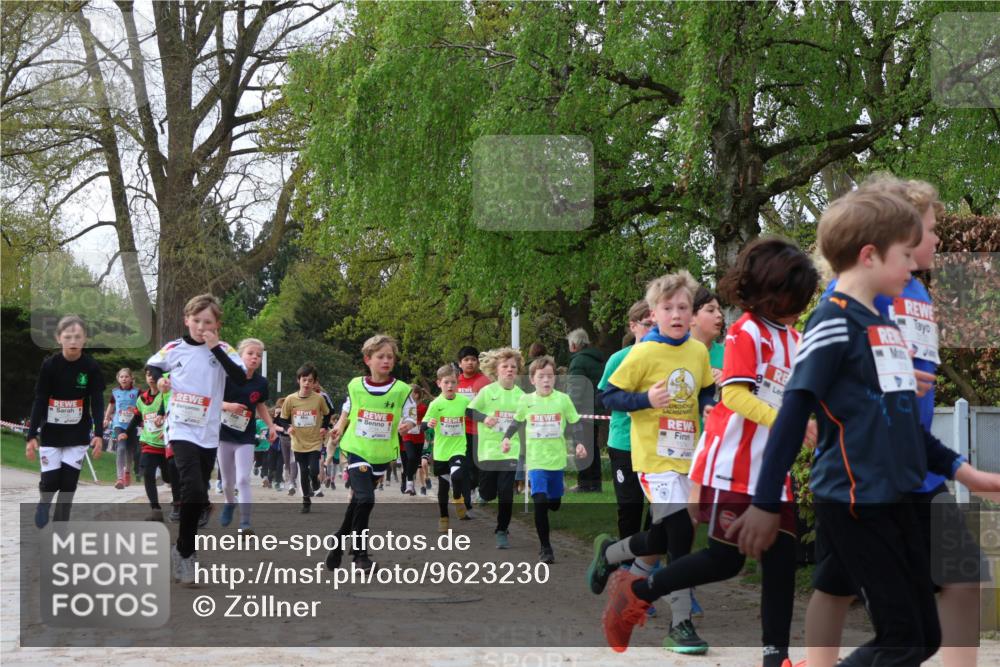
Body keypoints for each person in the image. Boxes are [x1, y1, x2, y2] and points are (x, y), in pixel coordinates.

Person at [733, 189, 1000, 666]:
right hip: (856, 503)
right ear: (869, 255)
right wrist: (765, 501)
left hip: (895, 498)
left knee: (922, 638)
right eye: (903, 253)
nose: (910, 267)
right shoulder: (830, 323)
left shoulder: (883, 325)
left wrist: (966, 473)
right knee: (902, 638)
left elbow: (903, 426)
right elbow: (794, 412)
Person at [593, 238, 819, 666]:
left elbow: (774, 394)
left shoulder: (793, 338)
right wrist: (785, 421)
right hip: (729, 468)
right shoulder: (747, 333)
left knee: (782, 561)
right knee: (721, 559)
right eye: (795, 296)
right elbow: (735, 398)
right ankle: (636, 591)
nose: (800, 305)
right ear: (769, 291)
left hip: (771, 470)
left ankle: (777, 658)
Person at [808, 175, 983, 667]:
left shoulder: (919, 295)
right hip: (864, 472)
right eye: (928, 230)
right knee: (835, 586)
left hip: (919, 463)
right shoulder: (865, 292)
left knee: (964, 573)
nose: (936, 239)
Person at [591, 270, 716, 654]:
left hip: (686, 458)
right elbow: (608, 397)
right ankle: (681, 625)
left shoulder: (697, 351)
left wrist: (709, 407)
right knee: (680, 534)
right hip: (653, 459)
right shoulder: (642, 352)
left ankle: (611, 553)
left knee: (665, 537)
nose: (676, 314)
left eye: (683, 307)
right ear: (653, 314)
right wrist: (645, 400)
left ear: (691, 313)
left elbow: (706, 387)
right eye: (668, 308)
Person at [146, 293, 249, 585]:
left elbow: (240, 378)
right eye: (197, 321)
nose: (202, 327)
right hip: (180, 427)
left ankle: (181, 548)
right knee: (191, 488)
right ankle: (187, 556)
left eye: (209, 322)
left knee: (197, 491)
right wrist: (160, 380)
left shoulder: (225, 349)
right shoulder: (174, 348)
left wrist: (215, 348)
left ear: (217, 325)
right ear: (186, 320)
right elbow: (154, 367)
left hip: (208, 430)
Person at [326, 334, 417, 571]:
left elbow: (411, 415)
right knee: (366, 498)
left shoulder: (401, 389)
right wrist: (338, 427)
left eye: (390, 357)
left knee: (358, 501)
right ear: (368, 359)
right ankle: (360, 556)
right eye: (380, 356)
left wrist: (407, 424)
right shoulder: (356, 385)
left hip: (382, 453)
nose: (386, 361)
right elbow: (348, 408)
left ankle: (338, 541)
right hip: (356, 449)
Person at [500, 355, 586, 564]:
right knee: (539, 501)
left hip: (556, 461)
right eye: (541, 377)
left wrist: (580, 443)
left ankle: (554, 498)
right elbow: (516, 421)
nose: (546, 380)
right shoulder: (526, 401)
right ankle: (545, 548)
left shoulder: (563, 400)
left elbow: (575, 423)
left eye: (550, 376)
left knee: (553, 503)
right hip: (536, 460)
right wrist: (506, 438)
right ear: (532, 380)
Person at [25, 315, 105, 528]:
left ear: (85, 339)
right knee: (51, 483)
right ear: (58, 338)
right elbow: (40, 400)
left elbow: (97, 401)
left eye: (77, 336)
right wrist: (31, 434)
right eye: (68, 336)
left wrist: (98, 434)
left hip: (77, 434)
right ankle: (44, 502)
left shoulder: (90, 367)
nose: (73, 341)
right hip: (51, 433)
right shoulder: (50, 366)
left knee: (68, 485)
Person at [598, 301, 655, 541]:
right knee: (630, 507)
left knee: (661, 510)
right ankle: (624, 560)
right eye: (648, 324)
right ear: (633, 326)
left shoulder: (669, 358)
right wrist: (640, 401)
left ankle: (646, 559)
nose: (654, 329)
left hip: (657, 444)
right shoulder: (618, 359)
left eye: (657, 324)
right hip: (625, 443)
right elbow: (604, 398)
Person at [466, 348, 525, 548]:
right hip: (488, 450)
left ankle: (502, 530)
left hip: (510, 450)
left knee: (506, 492)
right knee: (489, 491)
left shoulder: (521, 396)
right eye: (505, 366)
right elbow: (469, 411)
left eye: (513, 367)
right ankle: (483, 494)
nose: (509, 370)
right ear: (496, 370)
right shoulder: (487, 392)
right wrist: (485, 418)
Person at [217, 338, 276, 533]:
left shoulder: (260, 383)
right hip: (224, 434)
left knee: (243, 479)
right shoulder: (226, 376)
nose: (254, 358)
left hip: (245, 436)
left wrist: (271, 426)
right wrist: (228, 406)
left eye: (258, 355)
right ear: (240, 356)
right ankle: (229, 502)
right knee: (227, 482)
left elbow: (260, 405)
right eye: (250, 353)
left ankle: (245, 523)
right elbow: (211, 400)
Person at [422, 365, 473, 532]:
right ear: (439, 383)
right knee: (443, 488)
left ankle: (458, 497)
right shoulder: (435, 404)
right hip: (441, 452)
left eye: (453, 382)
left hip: (458, 448)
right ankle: (444, 517)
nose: (450, 386)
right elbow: (423, 424)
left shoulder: (464, 401)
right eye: (446, 382)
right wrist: (428, 424)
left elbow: (475, 413)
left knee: (458, 476)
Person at [277, 363, 330, 514]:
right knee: (303, 471)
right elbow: (282, 419)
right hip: (298, 442)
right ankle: (306, 500)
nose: (307, 383)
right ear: (298, 380)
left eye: (310, 380)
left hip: (314, 441)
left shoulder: (319, 399)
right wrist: (288, 428)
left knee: (313, 469)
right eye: (304, 380)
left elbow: (327, 414)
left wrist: (324, 427)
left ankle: (315, 481)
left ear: (314, 383)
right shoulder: (290, 399)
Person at [124, 367, 169, 521]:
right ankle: (155, 510)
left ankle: (179, 504)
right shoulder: (141, 399)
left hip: (167, 443)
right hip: (149, 442)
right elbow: (137, 418)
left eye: (154, 375)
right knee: (148, 474)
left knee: (169, 477)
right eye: (148, 375)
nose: (151, 378)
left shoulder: (167, 395)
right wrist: (126, 432)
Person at [566, 328, 607, 493]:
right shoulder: (598, 360)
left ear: (574, 345)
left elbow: (575, 390)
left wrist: (570, 411)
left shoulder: (578, 362)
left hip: (581, 412)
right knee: (593, 448)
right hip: (596, 410)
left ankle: (584, 483)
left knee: (581, 447)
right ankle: (595, 483)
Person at [456, 345, 491, 508]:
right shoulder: (455, 382)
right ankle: (469, 489)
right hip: (461, 430)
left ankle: (480, 489)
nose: (470, 363)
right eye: (466, 360)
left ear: (478, 362)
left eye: (473, 359)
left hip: (481, 429)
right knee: (467, 463)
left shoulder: (484, 382)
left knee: (480, 463)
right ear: (460, 363)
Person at [105, 367, 139, 489]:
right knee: (121, 448)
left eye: (126, 376)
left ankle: (127, 472)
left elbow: (142, 406)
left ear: (131, 378)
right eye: (121, 377)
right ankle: (119, 478)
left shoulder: (137, 392)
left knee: (130, 451)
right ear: (118, 379)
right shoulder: (115, 392)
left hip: (132, 425)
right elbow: (111, 405)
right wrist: (106, 418)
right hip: (119, 424)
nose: (124, 379)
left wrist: (135, 411)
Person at [690, 287, 725, 382]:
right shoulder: (676, 352)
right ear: (690, 318)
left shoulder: (728, 355)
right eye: (710, 310)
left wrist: (727, 379)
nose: (719, 315)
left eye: (719, 310)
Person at [400, 386, 429, 495]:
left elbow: (427, 419)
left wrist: (424, 425)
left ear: (416, 394)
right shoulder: (404, 406)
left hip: (419, 437)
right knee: (409, 458)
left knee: (415, 462)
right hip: (406, 436)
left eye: (409, 392)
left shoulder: (423, 407)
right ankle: (408, 482)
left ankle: (409, 484)